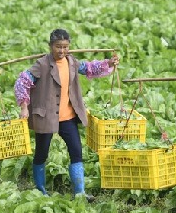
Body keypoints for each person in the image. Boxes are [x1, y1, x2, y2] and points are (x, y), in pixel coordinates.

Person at [14, 28, 119, 199]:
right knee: (42, 153)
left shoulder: (72, 62)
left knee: (76, 151)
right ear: (50, 46)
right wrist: (24, 106)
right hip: (46, 115)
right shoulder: (42, 64)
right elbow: (22, 81)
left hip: (67, 115)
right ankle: (41, 191)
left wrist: (108, 63)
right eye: (58, 47)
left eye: (65, 47)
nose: (62, 51)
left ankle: (80, 192)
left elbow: (90, 68)